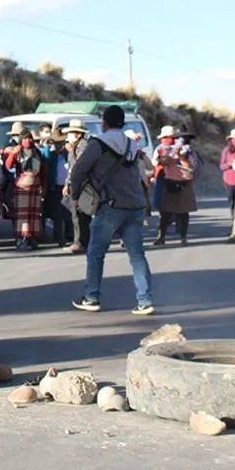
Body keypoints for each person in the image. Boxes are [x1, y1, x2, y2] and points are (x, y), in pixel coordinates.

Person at [69, 105, 154, 316]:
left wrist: (76, 195)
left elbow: (79, 170)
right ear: (123, 123)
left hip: (111, 206)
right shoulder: (131, 144)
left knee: (96, 252)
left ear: (104, 123)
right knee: (137, 256)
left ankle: (91, 297)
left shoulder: (99, 142)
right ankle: (144, 300)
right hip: (135, 205)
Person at [152, 125, 198, 246]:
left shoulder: (187, 150)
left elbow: (189, 166)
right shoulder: (162, 149)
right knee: (165, 212)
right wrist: (165, 159)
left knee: (183, 212)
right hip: (170, 181)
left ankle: (183, 237)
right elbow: (158, 162)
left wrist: (179, 156)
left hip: (184, 182)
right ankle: (161, 237)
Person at [5, 130, 46, 251]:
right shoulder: (17, 152)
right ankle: (21, 239)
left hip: (34, 188)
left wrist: (44, 187)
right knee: (22, 217)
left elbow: (43, 172)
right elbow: (8, 166)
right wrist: (13, 154)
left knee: (33, 216)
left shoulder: (37, 153)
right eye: (24, 139)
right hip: (21, 188)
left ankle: (32, 238)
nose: (27, 141)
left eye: (29, 139)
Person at [62, 119, 91, 253]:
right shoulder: (74, 147)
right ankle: (80, 241)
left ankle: (81, 242)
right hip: (76, 183)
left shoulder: (83, 146)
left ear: (79, 134)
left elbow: (77, 167)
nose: (69, 136)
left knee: (80, 215)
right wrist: (67, 183)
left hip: (82, 184)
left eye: (72, 133)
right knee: (76, 214)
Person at [219, 128, 235, 215]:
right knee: (232, 202)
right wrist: (229, 164)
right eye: (233, 139)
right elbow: (221, 166)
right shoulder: (226, 150)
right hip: (228, 181)